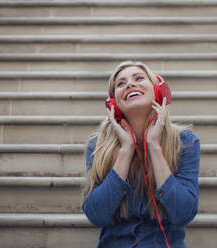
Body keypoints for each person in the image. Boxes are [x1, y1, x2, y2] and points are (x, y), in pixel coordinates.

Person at [82, 61, 200, 248]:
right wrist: (125, 150)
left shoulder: (185, 142)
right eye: (121, 83)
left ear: (159, 91)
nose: (129, 84)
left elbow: (183, 212)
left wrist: (154, 146)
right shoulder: (97, 146)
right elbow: (97, 215)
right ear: (112, 103)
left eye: (139, 78)